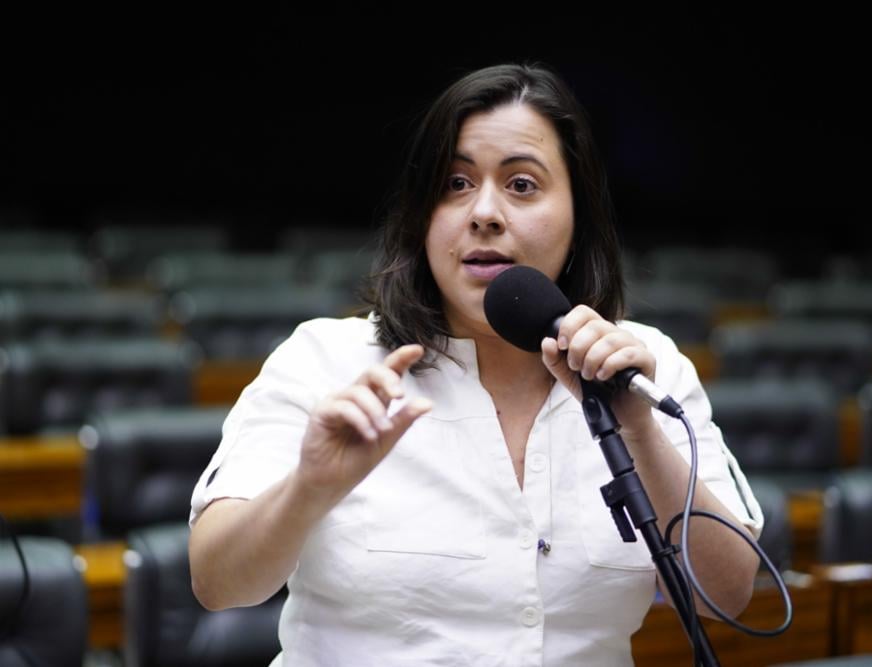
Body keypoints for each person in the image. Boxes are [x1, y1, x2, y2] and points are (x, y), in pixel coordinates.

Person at [189, 62, 763, 666]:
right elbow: (217, 583)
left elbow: (729, 593)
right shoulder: (324, 361)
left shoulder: (646, 370)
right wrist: (308, 488)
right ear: (422, 215)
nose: (484, 212)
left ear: (579, 214)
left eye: (521, 185)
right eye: (455, 183)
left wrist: (638, 430)